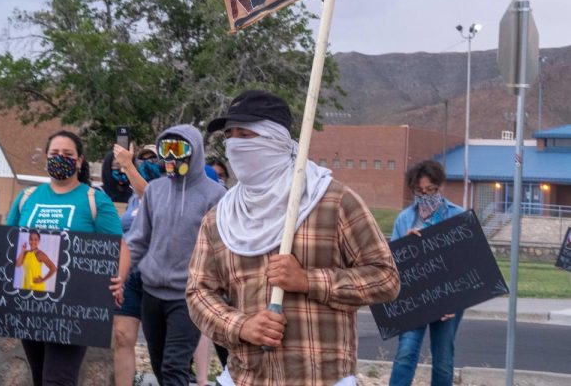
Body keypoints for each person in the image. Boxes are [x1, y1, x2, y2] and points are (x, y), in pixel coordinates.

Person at [186, 89, 400, 386]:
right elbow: (198, 293)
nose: (234, 144)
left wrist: (309, 280)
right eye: (229, 135)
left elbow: (386, 279)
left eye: (245, 134)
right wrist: (241, 325)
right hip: (245, 378)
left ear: (274, 139)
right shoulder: (220, 218)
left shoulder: (333, 202)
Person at [0, 129, 129, 386]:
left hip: (75, 307)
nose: (60, 158)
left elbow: (120, 246)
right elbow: (5, 244)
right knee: (40, 377)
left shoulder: (94, 199)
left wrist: (120, 278)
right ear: (46, 158)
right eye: (54, 154)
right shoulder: (27, 197)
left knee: (57, 379)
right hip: (30, 304)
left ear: (80, 161)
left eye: (68, 154)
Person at [122, 125, 226, 386]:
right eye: (165, 148)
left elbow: (223, 249)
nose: (171, 156)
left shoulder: (215, 195)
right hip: (152, 294)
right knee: (159, 366)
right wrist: (119, 276)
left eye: (179, 148)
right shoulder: (155, 190)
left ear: (196, 151)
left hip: (189, 297)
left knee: (174, 367)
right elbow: (136, 240)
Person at [389, 160, 465, 386]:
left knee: (443, 359)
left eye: (430, 190)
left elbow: (468, 263)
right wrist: (406, 244)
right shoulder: (404, 219)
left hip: (449, 298)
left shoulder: (458, 216)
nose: (425, 195)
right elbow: (392, 262)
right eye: (419, 191)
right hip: (416, 298)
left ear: (440, 186)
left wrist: (455, 299)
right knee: (406, 352)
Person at [111, 143, 155, 386]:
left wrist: (127, 164)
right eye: (143, 158)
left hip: (158, 277)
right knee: (122, 336)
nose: (147, 162)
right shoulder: (132, 198)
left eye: (153, 158)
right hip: (129, 277)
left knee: (159, 345)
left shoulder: (165, 191)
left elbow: (151, 197)